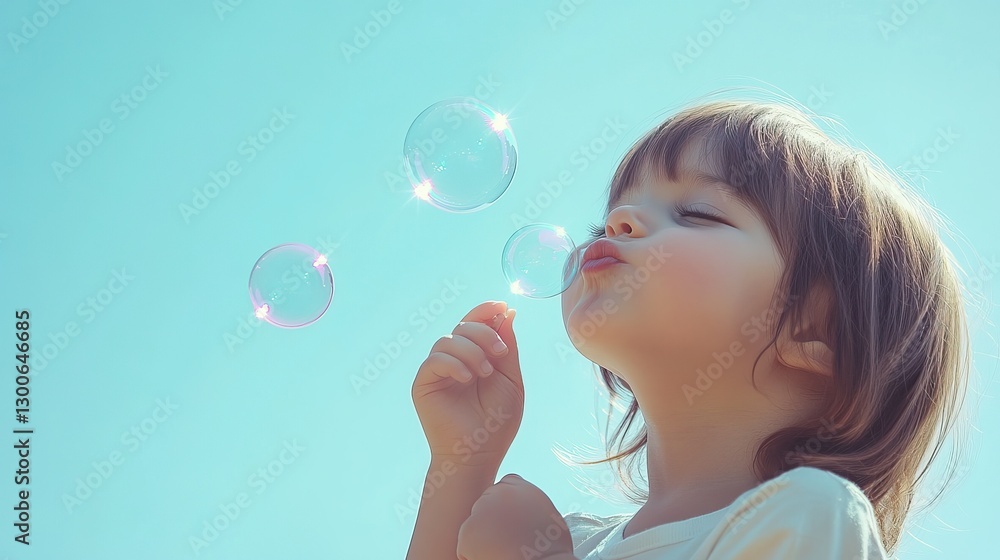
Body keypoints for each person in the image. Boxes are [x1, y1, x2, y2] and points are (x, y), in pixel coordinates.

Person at [405, 99, 971, 560]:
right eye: (607, 221)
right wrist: (464, 460)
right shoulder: (574, 539)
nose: (619, 222)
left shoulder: (807, 517)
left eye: (698, 213)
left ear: (814, 325)